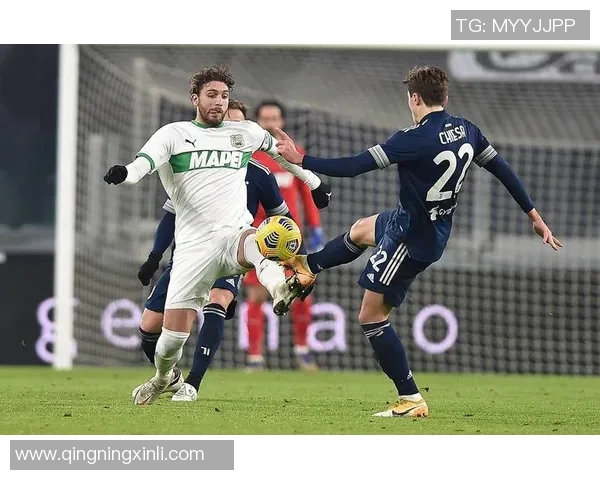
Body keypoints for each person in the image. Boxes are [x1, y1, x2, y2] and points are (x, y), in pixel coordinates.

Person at [275, 65, 562, 418]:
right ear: (445, 97)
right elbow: (503, 170)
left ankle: (410, 397)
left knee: (371, 317)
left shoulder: (412, 138)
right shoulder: (467, 130)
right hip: (427, 226)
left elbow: (355, 166)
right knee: (361, 230)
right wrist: (535, 217)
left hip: (409, 239)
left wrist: (301, 159)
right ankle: (309, 266)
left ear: (414, 98)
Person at [103, 66, 329, 405]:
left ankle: (280, 288)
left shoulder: (245, 133)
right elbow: (144, 163)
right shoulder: (174, 134)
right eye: (212, 95)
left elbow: (283, 155)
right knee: (169, 343)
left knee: (257, 241)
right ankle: (165, 377)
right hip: (192, 251)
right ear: (195, 98)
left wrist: (314, 183)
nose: (219, 102)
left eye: (224, 96)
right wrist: (125, 173)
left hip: (232, 235)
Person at [244, 100, 324, 371]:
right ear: (257, 123)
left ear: (282, 122)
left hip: (291, 240)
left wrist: (315, 227)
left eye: (274, 118)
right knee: (257, 296)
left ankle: (303, 351)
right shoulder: (248, 156)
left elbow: (307, 194)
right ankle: (255, 357)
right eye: (265, 119)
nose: (270, 124)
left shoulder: (292, 154)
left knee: (302, 292)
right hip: (257, 238)